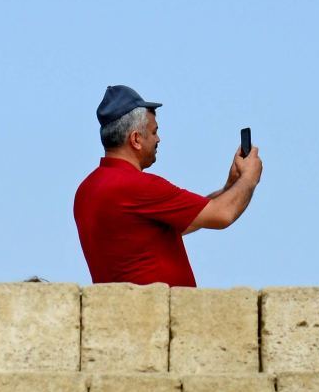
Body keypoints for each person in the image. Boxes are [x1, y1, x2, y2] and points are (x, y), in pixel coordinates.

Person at [73, 84, 263, 287]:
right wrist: (249, 179)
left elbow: (186, 220)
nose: (158, 139)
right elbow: (223, 214)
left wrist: (230, 187)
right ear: (136, 139)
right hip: (156, 314)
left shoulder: (86, 190)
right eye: (154, 132)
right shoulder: (137, 186)